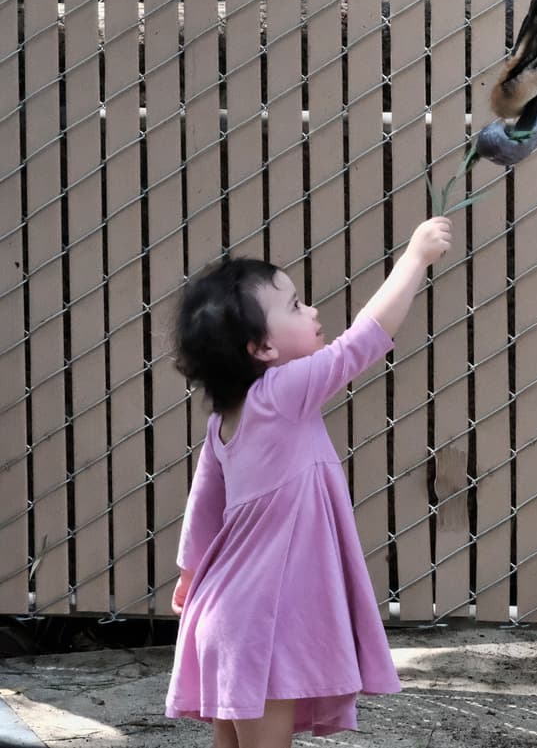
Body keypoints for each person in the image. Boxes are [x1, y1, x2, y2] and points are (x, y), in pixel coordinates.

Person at [165, 217, 453, 747]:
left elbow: (203, 509)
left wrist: (188, 576)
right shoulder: (280, 394)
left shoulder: (224, 420)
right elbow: (363, 341)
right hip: (262, 625)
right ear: (261, 349)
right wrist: (414, 260)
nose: (313, 310)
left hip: (224, 614)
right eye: (295, 306)